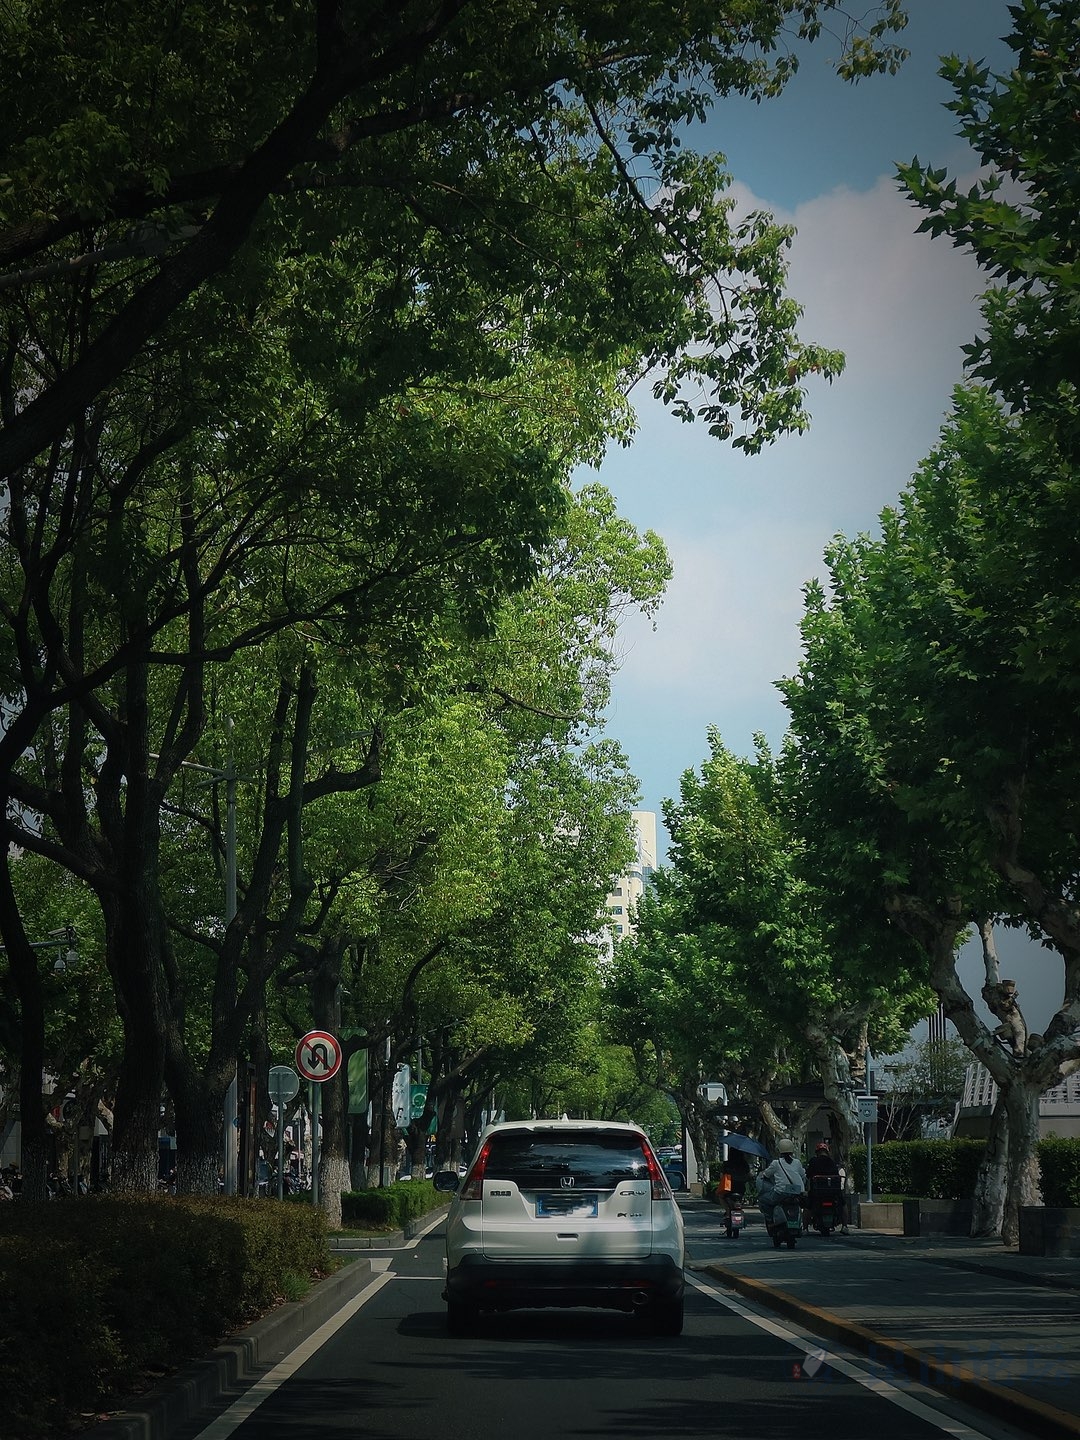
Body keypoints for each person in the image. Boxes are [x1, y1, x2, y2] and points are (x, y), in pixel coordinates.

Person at [758, 1138, 807, 1227]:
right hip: (797, 1194)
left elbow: (766, 1175)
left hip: (781, 1194)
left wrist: (762, 1174)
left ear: (779, 1150)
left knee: (763, 1200)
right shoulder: (797, 1162)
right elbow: (803, 1175)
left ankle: (770, 1221)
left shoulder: (776, 1163)